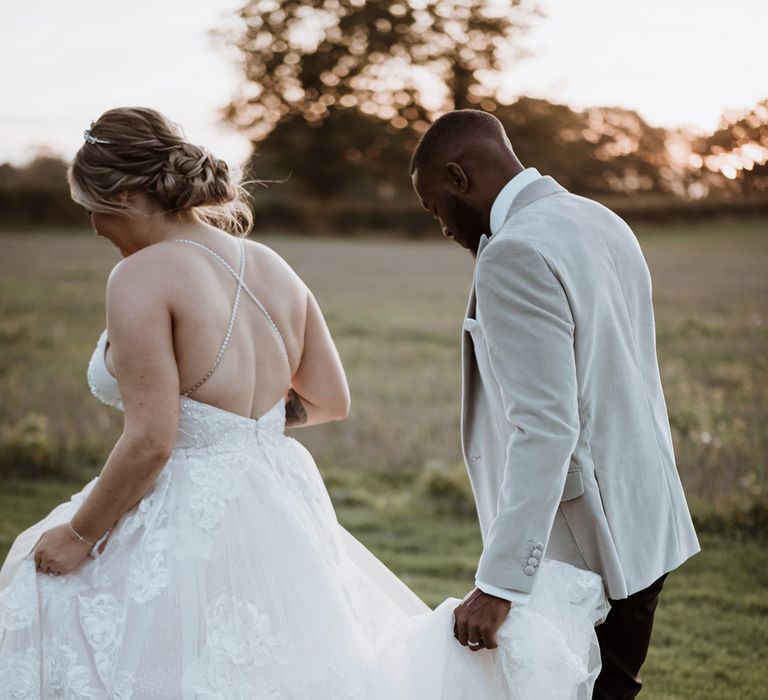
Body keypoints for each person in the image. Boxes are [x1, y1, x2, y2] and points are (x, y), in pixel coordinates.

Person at [0, 107, 607, 699]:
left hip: (186, 511)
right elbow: (330, 399)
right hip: (276, 499)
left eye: (93, 209)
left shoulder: (139, 277)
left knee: (49, 601)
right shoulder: (271, 265)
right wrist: (242, 430)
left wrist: (79, 536)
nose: (95, 227)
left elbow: (152, 439)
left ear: (127, 197)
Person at [410, 109, 701, 699]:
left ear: (459, 178)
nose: (442, 226)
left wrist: (501, 584)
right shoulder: (600, 218)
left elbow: (545, 428)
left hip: (589, 544)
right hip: (649, 518)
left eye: (434, 205)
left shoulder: (513, 251)